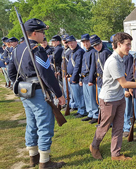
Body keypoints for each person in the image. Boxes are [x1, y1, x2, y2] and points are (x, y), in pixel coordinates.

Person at [8, 18, 65, 168]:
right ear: (34, 33)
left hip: (25, 92)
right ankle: (45, 162)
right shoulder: (37, 49)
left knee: (32, 124)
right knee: (45, 125)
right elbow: (47, 74)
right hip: (38, 92)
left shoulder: (17, 49)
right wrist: (59, 94)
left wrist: (20, 85)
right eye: (42, 32)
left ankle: (33, 157)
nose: (43, 35)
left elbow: (11, 73)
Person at [89, 32, 136, 161]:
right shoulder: (113, 61)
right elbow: (123, 83)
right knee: (104, 126)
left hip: (119, 98)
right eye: (127, 44)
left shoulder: (121, 59)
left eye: (130, 44)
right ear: (119, 44)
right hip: (109, 100)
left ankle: (115, 154)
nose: (130, 47)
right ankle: (94, 146)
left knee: (118, 126)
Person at [79, 34, 99, 124]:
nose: (85, 43)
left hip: (90, 78)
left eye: (87, 41)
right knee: (87, 97)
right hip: (84, 78)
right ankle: (90, 113)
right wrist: (80, 79)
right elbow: (82, 67)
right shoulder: (85, 52)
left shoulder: (93, 52)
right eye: (84, 42)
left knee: (92, 98)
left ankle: (95, 115)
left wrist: (91, 79)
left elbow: (92, 68)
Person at [66, 35, 87, 118]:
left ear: (75, 42)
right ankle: (79, 109)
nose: (70, 44)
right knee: (75, 95)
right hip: (72, 77)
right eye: (69, 43)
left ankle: (82, 110)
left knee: (79, 95)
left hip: (76, 77)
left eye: (71, 42)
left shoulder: (79, 51)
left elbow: (77, 66)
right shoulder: (73, 51)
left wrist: (74, 78)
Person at [90, 34, 112, 101]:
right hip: (99, 80)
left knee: (106, 101)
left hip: (106, 80)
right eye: (94, 46)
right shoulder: (97, 53)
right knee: (100, 101)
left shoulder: (106, 52)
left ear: (101, 42)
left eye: (98, 44)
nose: (97, 47)